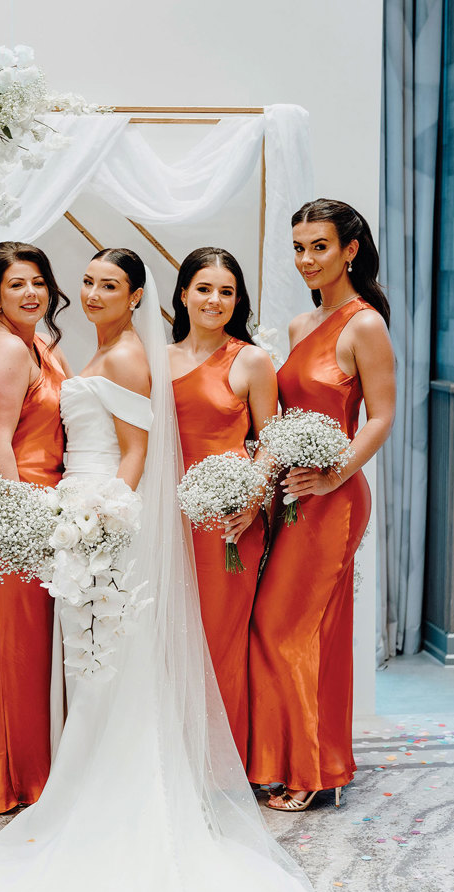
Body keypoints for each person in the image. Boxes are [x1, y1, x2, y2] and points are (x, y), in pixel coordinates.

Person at [0, 249, 359, 892]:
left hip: (112, 515)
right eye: (86, 281)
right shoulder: (104, 347)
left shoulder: (141, 352)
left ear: (139, 295)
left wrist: (101, 516)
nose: (90, 291)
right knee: (113, 662)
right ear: (178, 296)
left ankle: (162, 783)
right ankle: (98, 779)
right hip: (112, 514)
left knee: (139, 657)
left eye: (108, 284)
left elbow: (143, 447)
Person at [247, 198, 396, 811]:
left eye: (320, 247)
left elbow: (381, 416)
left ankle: (308, 773)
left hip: (333, 499)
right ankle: (308, 761)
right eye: (300, 248)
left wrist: (334, 476)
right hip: (291, 494)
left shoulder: (364, 324)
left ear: (350, 250)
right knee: (298, 630)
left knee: (283, 629)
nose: (307, 259)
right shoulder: (298, 327)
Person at [0, 242, 70, 813]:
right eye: (16, 286)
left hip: (49, 506)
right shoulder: (6, 348)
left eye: (38, 281)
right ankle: (13, 778)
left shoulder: (40, 342)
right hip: (20, 514)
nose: (31, 293)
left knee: (34, 651)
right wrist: (17, 520)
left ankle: (37, 767)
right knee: (15, 649)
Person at [169, 247, 277, 762]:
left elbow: (270, 440)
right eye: (205, 288)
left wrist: (254, 501)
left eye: (227, 291)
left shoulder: (250, 359)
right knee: (170, 641)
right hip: (168, 521)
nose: (215, 300)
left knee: (219, 643)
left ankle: (219, 768)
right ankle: (174, 762)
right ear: (184, 293)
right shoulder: (156, 359)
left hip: (227, 524)